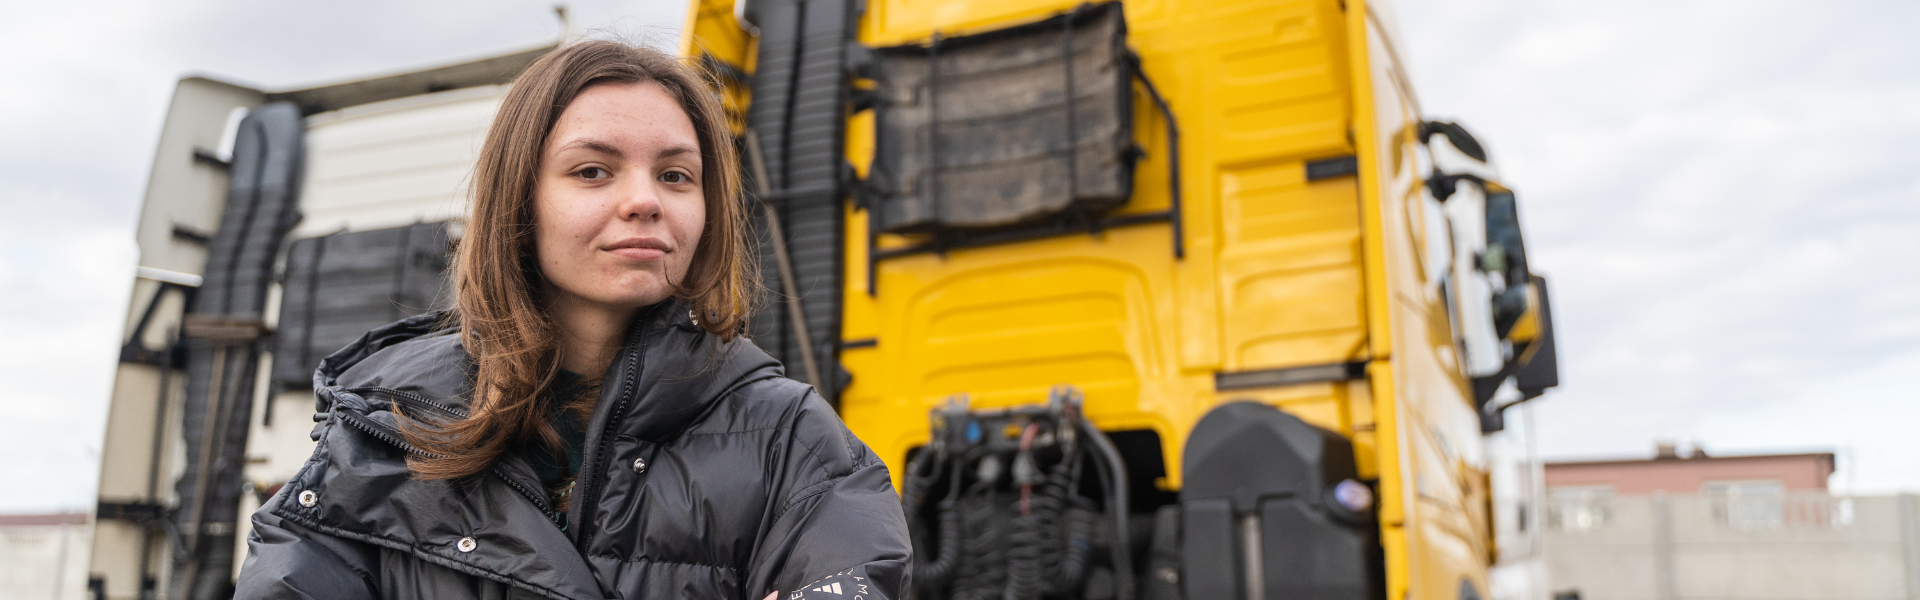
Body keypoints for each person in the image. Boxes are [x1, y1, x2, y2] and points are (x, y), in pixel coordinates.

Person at [234, 40, 910, 600]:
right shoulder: (379, 432)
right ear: (518, 199)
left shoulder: (792, 438)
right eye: (593, 171)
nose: (645, 200)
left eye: (676, 176)